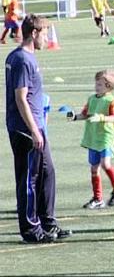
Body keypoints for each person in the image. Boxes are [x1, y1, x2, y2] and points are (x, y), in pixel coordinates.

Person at [5, 14, 72, 243]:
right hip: (25, 129)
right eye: (43, 33)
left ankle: (48, 223)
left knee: (47, 173)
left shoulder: (24, 57)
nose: (46, 38)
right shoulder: (23, 59)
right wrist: (34, 129)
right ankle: (31, 230)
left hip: (36, 126)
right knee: (28, 180)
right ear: (33, 33)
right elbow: (21, 98)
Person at [67, 69, 114, 209]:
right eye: (96, 83)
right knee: (94, 168)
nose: (96, 86)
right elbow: (86, 114)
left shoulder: (111, 101)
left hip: (106, 137)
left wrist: (102, 118)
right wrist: (75, 117)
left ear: (108, 86)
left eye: (99, 84)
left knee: (105, 164)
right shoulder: (92, 99)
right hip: (93, 138)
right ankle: (98, 198)